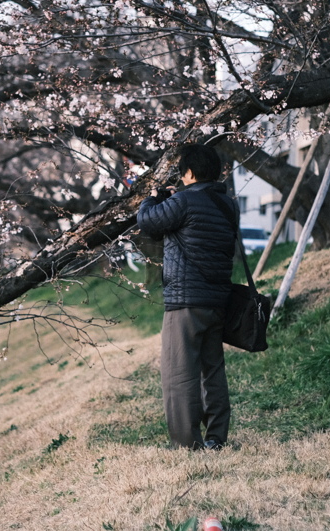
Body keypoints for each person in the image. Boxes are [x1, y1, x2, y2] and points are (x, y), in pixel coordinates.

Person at [136, 143, 239, 450]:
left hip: (185, 302)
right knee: (213, 371)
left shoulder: (183, 201)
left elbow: (147, 222)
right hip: (217, 299)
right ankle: (216, 438)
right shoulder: (228, 204)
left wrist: (151, 199)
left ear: (190, 173)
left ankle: (187, 444)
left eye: (183, 175)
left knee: (179, 374)